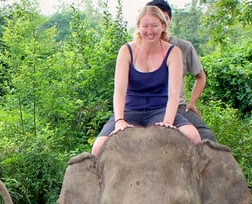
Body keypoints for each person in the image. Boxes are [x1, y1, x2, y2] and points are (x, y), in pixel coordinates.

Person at [92, 5, 201, 155]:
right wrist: (119, 121)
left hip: (160, 110)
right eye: (145, 26)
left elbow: (174, 93)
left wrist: (168, 123)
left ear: (163, 26)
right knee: (97, 148)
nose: (150, 31)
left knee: (193, 136)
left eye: (155, 26)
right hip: (130, 111)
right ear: (138, 27)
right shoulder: (126, 51)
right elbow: (119, 91)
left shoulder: (173, 52)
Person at [146, 0, 216, 141]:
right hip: (147, 107)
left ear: (168, 21)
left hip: (178, 106)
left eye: (161, 19)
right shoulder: (134, 49)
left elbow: (201, 77)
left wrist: (192, 102)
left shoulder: (183, 47)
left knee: (208, 137)